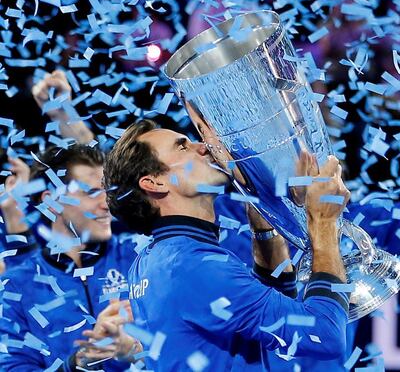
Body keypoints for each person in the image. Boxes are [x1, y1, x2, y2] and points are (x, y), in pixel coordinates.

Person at [103, 119, 352, 370]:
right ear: (155, 183)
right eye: (182, 146)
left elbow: (267, 311)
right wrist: (323, 223)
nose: (202, 147)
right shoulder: (192, 266)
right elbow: (325, 335)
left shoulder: (154, 260)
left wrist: (259, 206)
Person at [0, 145, 142, 370]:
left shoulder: (139, 255)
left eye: (107, 191)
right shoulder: (15, 286)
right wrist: (76, 364)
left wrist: (136, 351)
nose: (106, 204)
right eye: (91, 192)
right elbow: (13, 367)